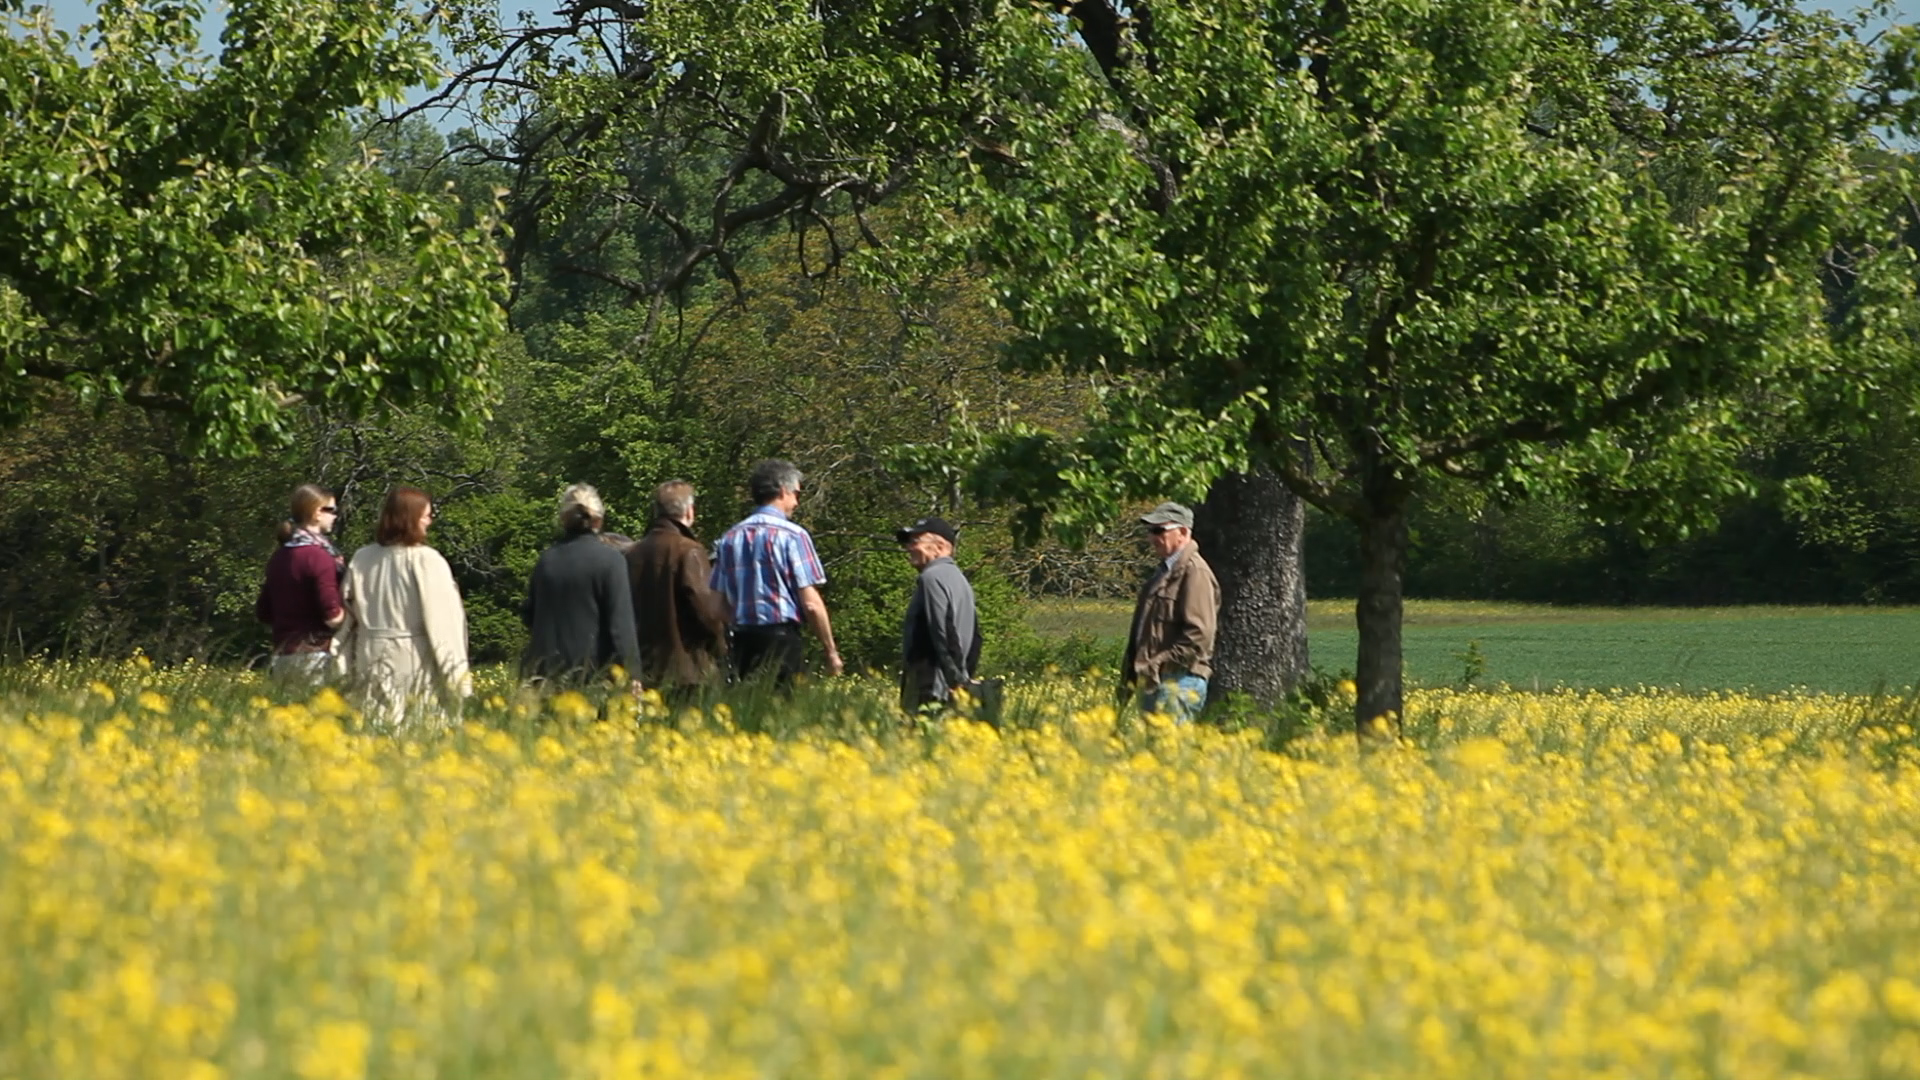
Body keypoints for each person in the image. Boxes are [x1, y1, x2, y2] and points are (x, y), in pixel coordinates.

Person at [336, 486, 472, 728]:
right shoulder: (427, 560)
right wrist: (456, 674)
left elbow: (347, 612)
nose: (429, 522)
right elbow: (445, 621)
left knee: (375, 724)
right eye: (426, 515)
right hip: (412, 657)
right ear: (410, 519)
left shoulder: (362, 557)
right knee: (418, 724)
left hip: (370, 653)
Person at [710, 459, 842, 686]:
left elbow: (716, 605)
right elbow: (811, 604)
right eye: (795, 494)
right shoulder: (793, 536)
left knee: (747, 713)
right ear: (782, 492)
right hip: (782, 640)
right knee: (783, 712)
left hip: (743, 642)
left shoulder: (729, 538)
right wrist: (830, 650)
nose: (796, 503)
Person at [521, 484, 643, 694]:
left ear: (563, 519)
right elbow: (621, 626)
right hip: (594, 675)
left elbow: (530, 615)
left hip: (547, 676)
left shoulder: (547, 560)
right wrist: (632, 673)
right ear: (599, 519)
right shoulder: (611, 561)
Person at [1119, 501, 1220, 723]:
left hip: (1180, 681)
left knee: (1169, 753)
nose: (1151, 538)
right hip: (1157, 681)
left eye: (1158, 530)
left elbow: (1199, 635)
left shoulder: (1195, 572)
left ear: (1183, 532)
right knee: (1156, 754)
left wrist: (1158, 663)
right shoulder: (1164, 573)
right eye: (1149, 531)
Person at [627, 480, 729, 696]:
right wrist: (722, 648)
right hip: (688, 670)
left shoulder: (632, 553)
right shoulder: (689, 551)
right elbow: (707, 612)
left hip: (646, 668)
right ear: (689, 511)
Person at [256, 483, 346, 686]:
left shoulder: (279, 556)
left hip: (282, 658)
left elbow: (263, 613)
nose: (335, 515)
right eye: (331, 510)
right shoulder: (320, 557)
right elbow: (332, 615)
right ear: (316, 513)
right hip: (316, 658)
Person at [895, 516, 980, 713]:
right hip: (948, 687)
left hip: (930, 688)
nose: (908, 548)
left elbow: (943, 630)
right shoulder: (960, 580)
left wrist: (955, 680)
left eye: (915, 542)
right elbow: (976, 638)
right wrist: (965, 677)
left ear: (940, 546)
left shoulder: (931, 578)